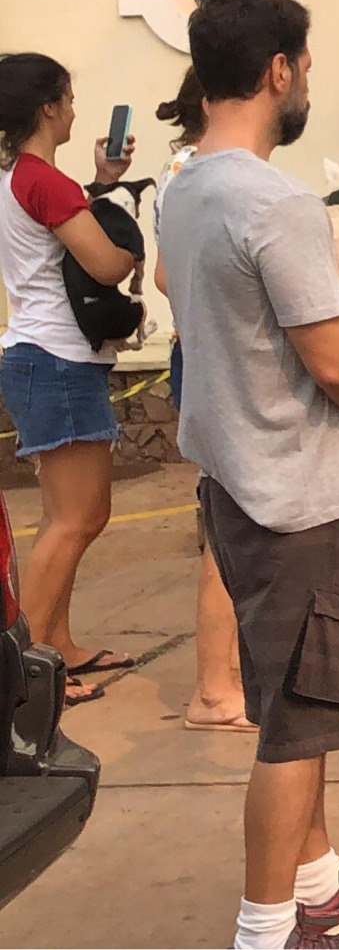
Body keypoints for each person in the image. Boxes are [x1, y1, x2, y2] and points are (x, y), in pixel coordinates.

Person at [162, 0, 339, 949]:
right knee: (300, 727)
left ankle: (317, 885)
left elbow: (217, 306)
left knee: (293, 704)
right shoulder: (271, 203)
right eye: (305, 64)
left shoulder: (188, 187)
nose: (306, 78)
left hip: (236, 484)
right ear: (278, 70)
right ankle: (269, 928)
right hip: (300, 498)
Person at [0, 52, 140, 707]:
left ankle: (56, 644)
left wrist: (101, 181)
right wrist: (133, 248)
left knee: (83, 514)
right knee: (71, 519)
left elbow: (55, 228)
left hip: (43, 356)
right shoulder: (43, 182)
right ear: (48, 107)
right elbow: (104, 264)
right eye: (69, 97)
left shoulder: (20, 176)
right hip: (55, 359)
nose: (76, 108)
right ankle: (25, 673)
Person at [145, 68, 254, 733]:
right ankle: (215, 689)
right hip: (218, 357)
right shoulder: (201, 173)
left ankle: (231, 677)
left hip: (208, 353)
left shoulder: (186, 170)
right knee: (229, 530)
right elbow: (166, 271)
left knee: (235, 523)